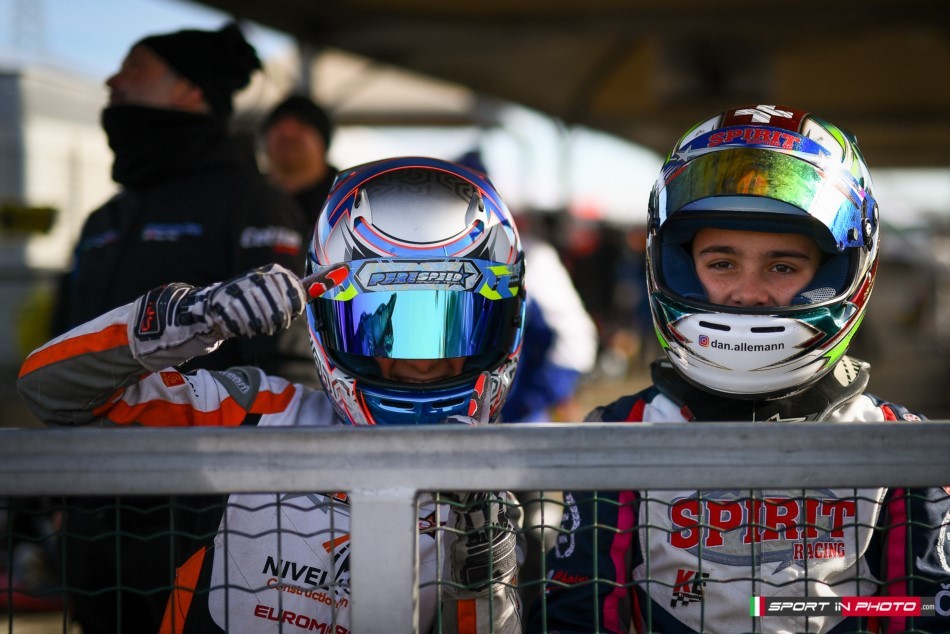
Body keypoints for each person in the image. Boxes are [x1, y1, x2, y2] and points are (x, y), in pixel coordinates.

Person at [19, 157, 526, 633]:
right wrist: (191, 316)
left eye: (455, 329)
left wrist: (481, 580)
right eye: (386, 329)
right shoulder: (251, 413)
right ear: (327, 320)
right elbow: (48, 391)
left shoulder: (485, 500)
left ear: (504, 326)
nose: (423, 362)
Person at [526, 105, 950, 633]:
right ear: (677, 266)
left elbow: (928, 613)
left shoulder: (898, 446)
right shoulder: (622, 434)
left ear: (842, 271)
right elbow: (576, 618)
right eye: (722, 264)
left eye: (782, 266)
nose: (748, 294)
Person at [44, 23, 311, 633]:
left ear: (191, 90)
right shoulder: (106, 218)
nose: (112, 80)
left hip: (205, 518)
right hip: (94, 517)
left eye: (135, 68)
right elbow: (62, 347)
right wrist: (58, 496)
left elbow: (288, 365)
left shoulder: (252, 202)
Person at [261, 94, 339, 230]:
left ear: (323, 143)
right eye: (277, 124)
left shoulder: (346, 198)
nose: (288, 131)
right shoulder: (244, 199)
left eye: (303, 123)